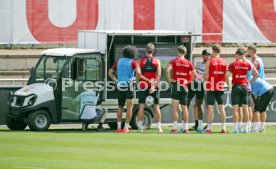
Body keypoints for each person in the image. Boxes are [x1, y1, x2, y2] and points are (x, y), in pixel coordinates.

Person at [108, 45, 141, 133]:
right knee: (129, 107)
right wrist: (136, 81)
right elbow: (138, 73)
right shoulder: (133, 62)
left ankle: (118, 127)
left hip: (120, 86)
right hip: (129, 86)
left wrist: (116, 81)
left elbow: (110, 73)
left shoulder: (118, 61)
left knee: (120, 107)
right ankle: (126, 127)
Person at [166, 45, 197, 133]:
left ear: (177, 52)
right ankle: (185, 128)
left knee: (175, 108)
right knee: (185, 108)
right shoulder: (188, 63)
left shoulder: (174, 61)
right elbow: (195, 75)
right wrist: (188, 81)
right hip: (184, 86)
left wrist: (169, 80)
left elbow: (167, 70)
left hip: (176, 85)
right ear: (185, 53)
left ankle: (175, 128)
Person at [227, 47, 258, 133]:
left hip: (236, 86)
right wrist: (249, 82)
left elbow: (226, 75)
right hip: (245, 87)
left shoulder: (233, 64)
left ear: (238, 55)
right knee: (246, 108)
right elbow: (256, 74)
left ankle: (236, 128)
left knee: (236, 109)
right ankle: (247, 128)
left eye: (235, 55)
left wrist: (229, 85)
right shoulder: (248, 64)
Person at [137, 43, 163, 132]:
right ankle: (158, 127)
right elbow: (158, 75)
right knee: (156, 107)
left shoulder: (139, 61)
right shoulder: (157, 61)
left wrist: (147, 80)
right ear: (153, 51)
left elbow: (139, 74)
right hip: (154, 86)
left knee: (141, 106)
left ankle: (140, 127)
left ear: (145, 50)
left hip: (143, 86)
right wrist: (153, 84)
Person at [204, 44, 227, 134]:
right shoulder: (224, 62)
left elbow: (206, 74)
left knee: (210, 108)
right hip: (220, 86)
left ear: (213, 51)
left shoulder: (210, 61)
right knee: (221, 108)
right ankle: (223, 128)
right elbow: (225, 76)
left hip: (211, 86)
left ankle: (209, 128)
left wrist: (208, 80)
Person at [188, 50, 210, 132]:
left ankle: (208, 124)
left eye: (208, 55)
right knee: (196, 105)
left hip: (206, 86)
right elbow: (196, 74)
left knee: (208, 106)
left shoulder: (210, 64)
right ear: (203, 55)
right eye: (206, 55)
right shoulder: (198, 64)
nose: (207, 56)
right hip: (199, 85)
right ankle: (197, 124)